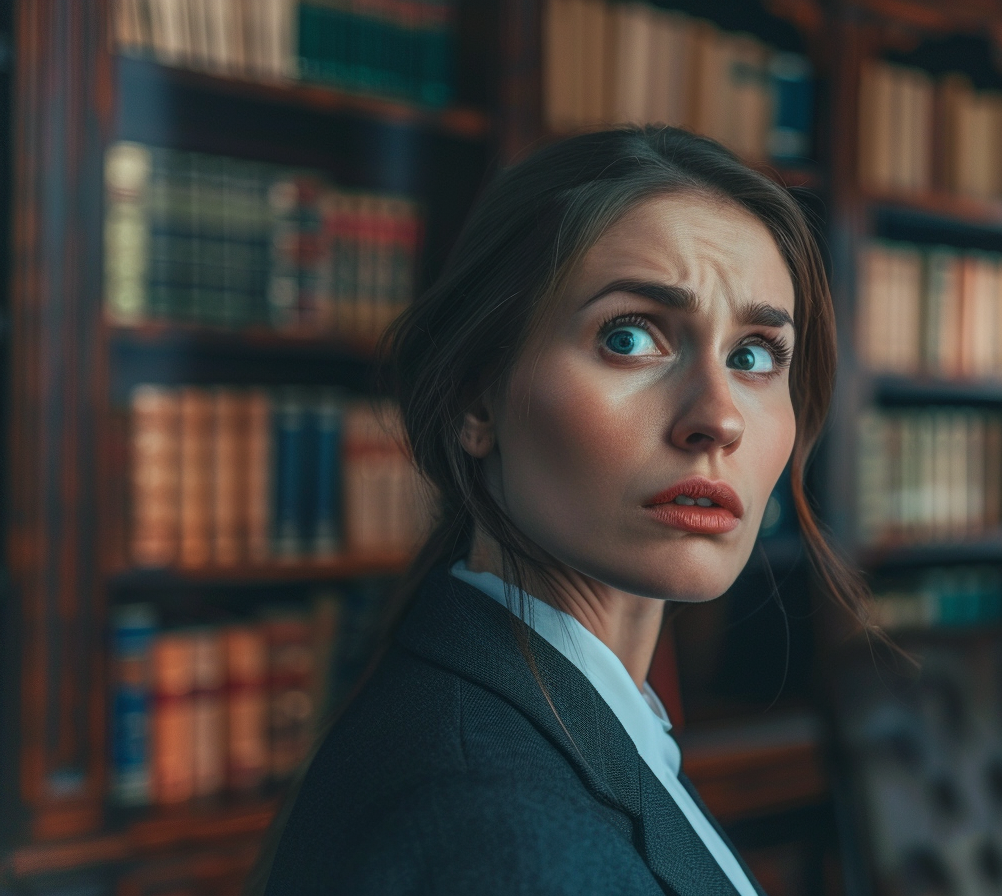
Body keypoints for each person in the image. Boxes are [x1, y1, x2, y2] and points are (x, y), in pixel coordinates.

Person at [253, 126, 870, 895]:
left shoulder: (570, 724)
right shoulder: (497, 837)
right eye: (629, 335)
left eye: (753, 355)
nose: (720, 417)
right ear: (476, 397)